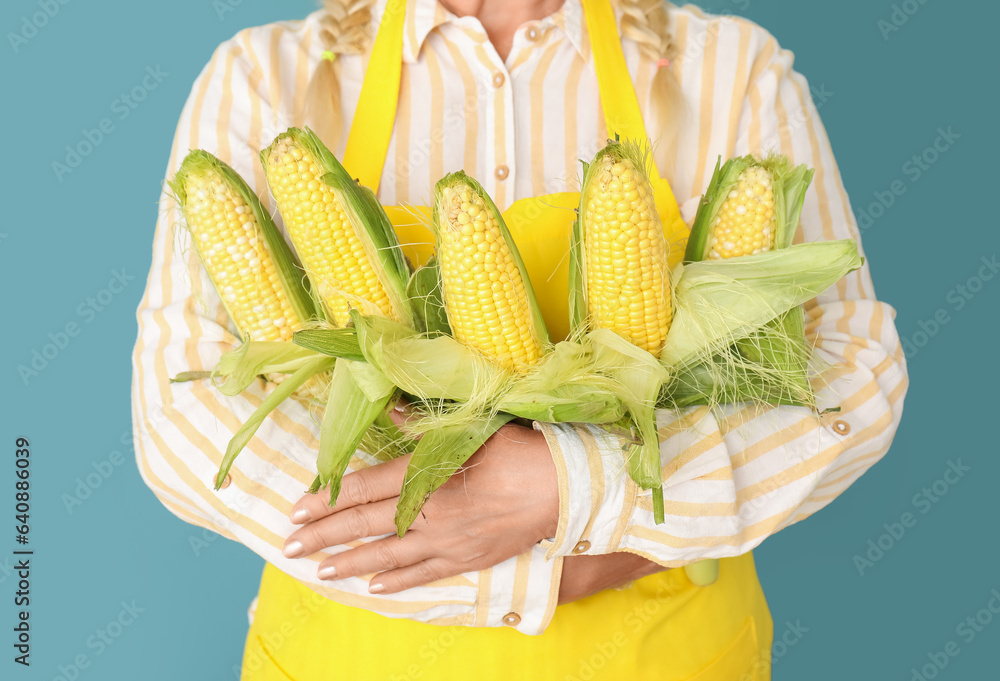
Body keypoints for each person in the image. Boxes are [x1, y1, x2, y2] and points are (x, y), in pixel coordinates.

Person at [131, 0, 908, 678]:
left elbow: (855, 377)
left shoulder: (731, 69)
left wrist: (573, 484)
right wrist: (557, 572)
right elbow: (179, 414)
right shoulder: (263, 76)